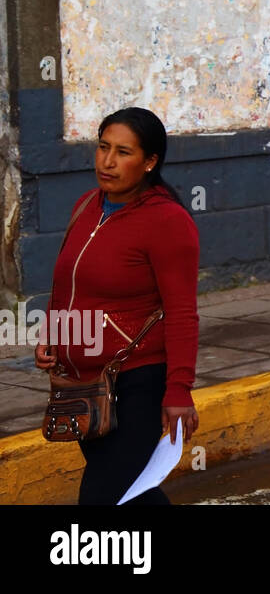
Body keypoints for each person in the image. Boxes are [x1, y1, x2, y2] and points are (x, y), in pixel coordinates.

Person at [36, 108, 199, 505]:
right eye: (103, 147)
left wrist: (179, 390)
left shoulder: (166, 221)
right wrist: (53, 336)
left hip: (135, 384)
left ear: (149, 162)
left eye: (123, 152)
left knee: (101, 497)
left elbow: (182, 311)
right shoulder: (87, 206)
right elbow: (67, 284)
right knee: (132, 494)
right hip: (84, 385)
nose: (107, 162)